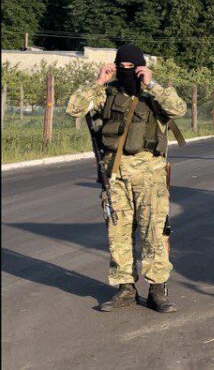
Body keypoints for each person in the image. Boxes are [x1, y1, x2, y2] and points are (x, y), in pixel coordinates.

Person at [66, 44, 188, 313]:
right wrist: (99, 81)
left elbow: (179, 109)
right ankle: (125, 289)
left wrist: (152, 83)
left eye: (132, 68)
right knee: (118, 233)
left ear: (141, 67)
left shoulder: (155, 94)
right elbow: (74, 108)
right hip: (115, 176)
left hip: (150, 176)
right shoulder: (106, 94)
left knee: (153, 232)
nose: (126, 72)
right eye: (122, 68)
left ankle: (157, 290)